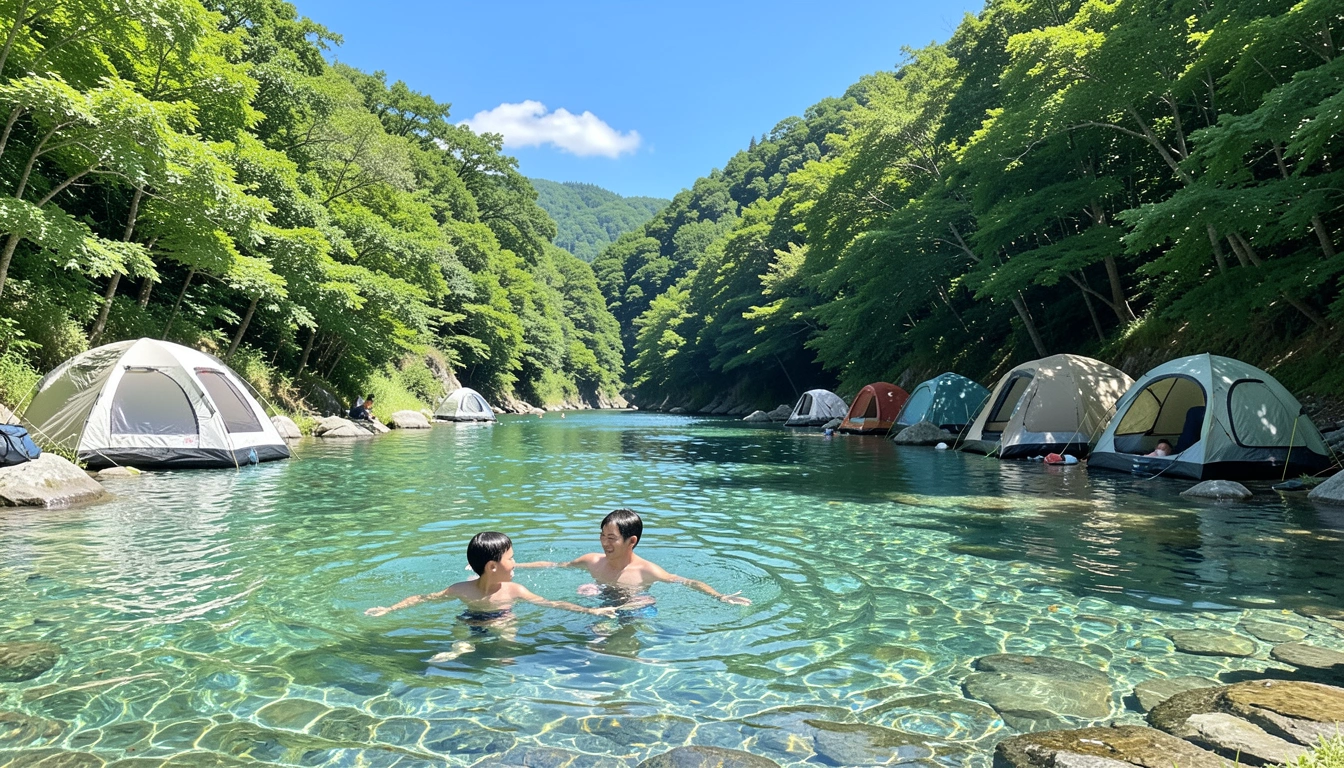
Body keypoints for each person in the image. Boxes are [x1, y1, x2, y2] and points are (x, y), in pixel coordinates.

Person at [517, 509, 752, 606]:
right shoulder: (592, 561)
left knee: (639, 608)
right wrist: (516, 565)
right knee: (588, 592)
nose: (604, 543)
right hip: (601, 602)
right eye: (602, 536)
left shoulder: (646, 571)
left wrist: (719, 596)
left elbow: (688, 582)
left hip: (634, 605)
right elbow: (556, 565)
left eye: (612, 538)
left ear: (632, 541)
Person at [364, 532, 617, 620]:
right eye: (511, 558)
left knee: (506, 638)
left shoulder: (515, 591)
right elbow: (423, 598)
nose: (515, 563)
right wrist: (389, 609)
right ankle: (460, 648)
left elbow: (550, 604)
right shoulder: (460, 589)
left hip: (502, 617)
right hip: (471, 618)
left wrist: (590, 611)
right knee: (462, 630)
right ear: (492, 567)